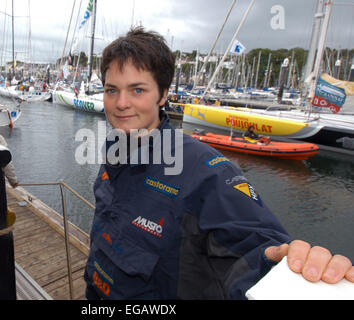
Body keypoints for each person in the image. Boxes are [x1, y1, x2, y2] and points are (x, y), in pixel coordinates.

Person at [83, 27, 353, 300]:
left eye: (137, 89)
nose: (121, 103)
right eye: (111, 90)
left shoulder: (205, 173)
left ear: (163, 95)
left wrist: (282, 264)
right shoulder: (115, 153)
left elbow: (252, 245)